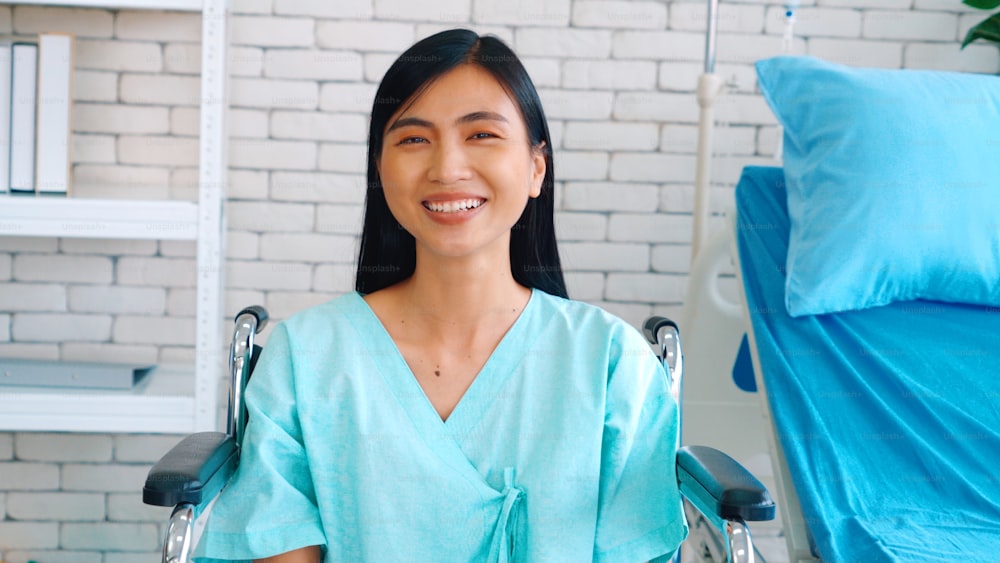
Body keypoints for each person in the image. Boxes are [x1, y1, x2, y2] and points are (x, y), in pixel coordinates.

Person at [194, 28, 688, 563]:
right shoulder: (305, 356)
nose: (448, 169)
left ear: (535, 168)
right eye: (413, 139)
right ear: (380, 172)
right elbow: (279, 544)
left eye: (482, 135)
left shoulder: (612, 363)